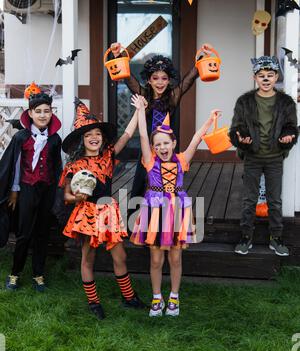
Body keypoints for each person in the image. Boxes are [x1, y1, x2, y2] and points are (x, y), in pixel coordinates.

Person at [131, 94, 220, 317]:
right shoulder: (149, 161)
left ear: (173, 144)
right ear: (153, 147)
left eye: (166, 143)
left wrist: (210, 121)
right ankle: (156, 297)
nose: (162, 147)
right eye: (157, 144)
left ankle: (174, 297)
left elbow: (197, 139)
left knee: (175, 257)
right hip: (154, 212)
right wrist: (141, 111)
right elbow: (142, 134)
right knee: (156, 258)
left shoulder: (182, 160)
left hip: (177, 210)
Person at [59, 98, 146, 320]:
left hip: (108, 211)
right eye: (88, 135)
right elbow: (66, 195)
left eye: (97, 133)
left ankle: (129, 297)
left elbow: (127, 135)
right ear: (81, 140)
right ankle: (93, 302)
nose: (94, 138)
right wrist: (76, 197)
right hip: (87, 213)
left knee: (121, 255)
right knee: (88, 258)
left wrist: (138, 110)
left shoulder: (108, 155)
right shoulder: (74, 166)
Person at [110, 42, 213, 201]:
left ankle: (168, 217)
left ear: (169, 80)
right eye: (155, 78)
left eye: (164, 78)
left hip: (166, 149)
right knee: (141, 183)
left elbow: (189, 79)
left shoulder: (172, 97)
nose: (160, 82)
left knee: (168, 184)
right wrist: (119, 57)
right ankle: (140, 219)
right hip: (148, 149)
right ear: (149, 80)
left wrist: (202, 59)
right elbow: (128, 78)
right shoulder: (144, 95)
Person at [229, 56, 298, 256]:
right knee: (249, 199)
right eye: (261, 75)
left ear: (276, 76)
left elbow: (291, 127)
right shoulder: (244, 101)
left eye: (270, 75)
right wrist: (241, 139)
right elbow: (236, 129)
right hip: (252, 157)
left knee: (274, 200)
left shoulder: (286, 102)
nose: (266, 79)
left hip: (275, 158)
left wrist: (287, 136)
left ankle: (276, 238)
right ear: (255, 78)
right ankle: (245, 237)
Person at [0, 83, 62, 291]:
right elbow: (15, 166)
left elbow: (56, 167)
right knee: (24, 233)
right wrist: (14, 190)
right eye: (38, 112)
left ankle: (38, 274)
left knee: (42, 232)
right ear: (30, 113)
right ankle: (15, 273)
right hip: (26, 188)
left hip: (47, 189)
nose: (43, 115)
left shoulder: (54, 139)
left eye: (47, 111)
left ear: (51, 113)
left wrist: (56, 194)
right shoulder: (21, 137)